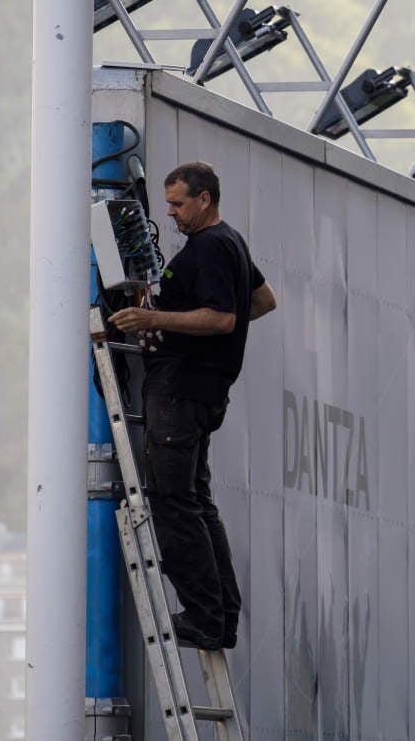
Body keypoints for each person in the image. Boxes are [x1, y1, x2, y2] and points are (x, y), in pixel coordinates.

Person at [110, 161, 276, 651]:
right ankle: (220, 616)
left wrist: (155, 318)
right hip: (203, 389)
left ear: (204, 199)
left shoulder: (210, 246)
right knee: (197, 501)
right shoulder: (231, 244)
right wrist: (201, 328)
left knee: (172, 501)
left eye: (178, 204)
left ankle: (203, 615)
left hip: (182, 388)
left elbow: (224, 318)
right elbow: (262, 301)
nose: (171, 213)